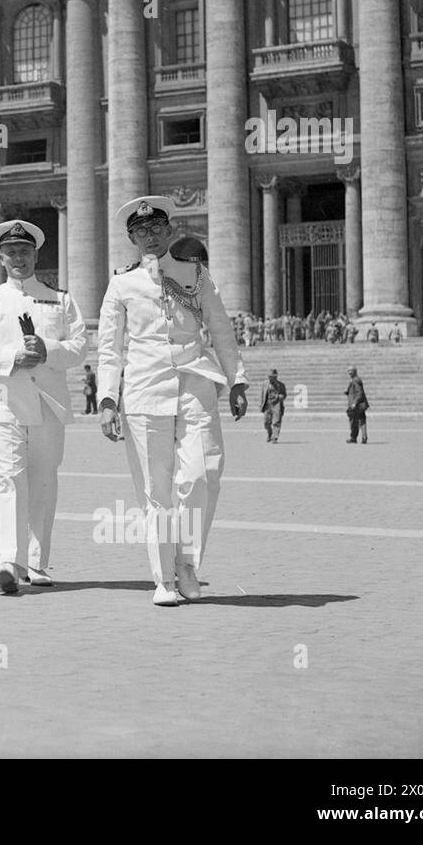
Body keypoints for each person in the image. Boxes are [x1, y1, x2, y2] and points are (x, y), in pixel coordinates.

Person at [97, 196, 248, 607]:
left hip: (195, 382)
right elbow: (109, 349)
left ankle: (187, 562)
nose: (149, 235)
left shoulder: (194, 274)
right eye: (140, 231)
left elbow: (220, 326)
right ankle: (163, 578)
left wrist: (237, 379)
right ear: (131, 237)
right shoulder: (121, 283)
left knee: (203, 474)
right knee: (156, 490)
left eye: (156, 228)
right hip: (145, 390)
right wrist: (108, 397)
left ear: (169, 230)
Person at [0, 219, 87, 592]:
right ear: (1, 257)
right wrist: (13, 356)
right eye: (11, 252)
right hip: (5, 401)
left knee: (43, 481)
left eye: (25, 251)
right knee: (8, 478)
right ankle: (8, 560)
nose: (19, 257)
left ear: (36, 254)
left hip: (48, 401)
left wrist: (49, 351)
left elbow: (80, 345)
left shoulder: (60, 299)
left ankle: (37, 561)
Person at [261, 368, 287, 443]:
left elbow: (284, 394)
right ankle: (270, 433)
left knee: (277, 421)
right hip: (268, 404)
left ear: (276, 377)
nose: (271, 378)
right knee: (266, 422)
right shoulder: (265, 384)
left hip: (277, 404)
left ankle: (274, 437)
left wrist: (281, 396)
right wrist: (261, 405)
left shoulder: (281, 385)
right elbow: (262, 395)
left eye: (272, 376)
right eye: (270, 376)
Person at [345, 366, 369, 444]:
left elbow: (359, 392)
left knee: (354, 421)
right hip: (359, 403)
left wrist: (355, 403)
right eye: (348, 371)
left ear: (355, 371)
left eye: (351, 371)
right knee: (362, 420)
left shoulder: (355, 380)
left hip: (356, 405)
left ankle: (353, 438)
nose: (349, 372)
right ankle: (364, 437)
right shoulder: (356, 379)